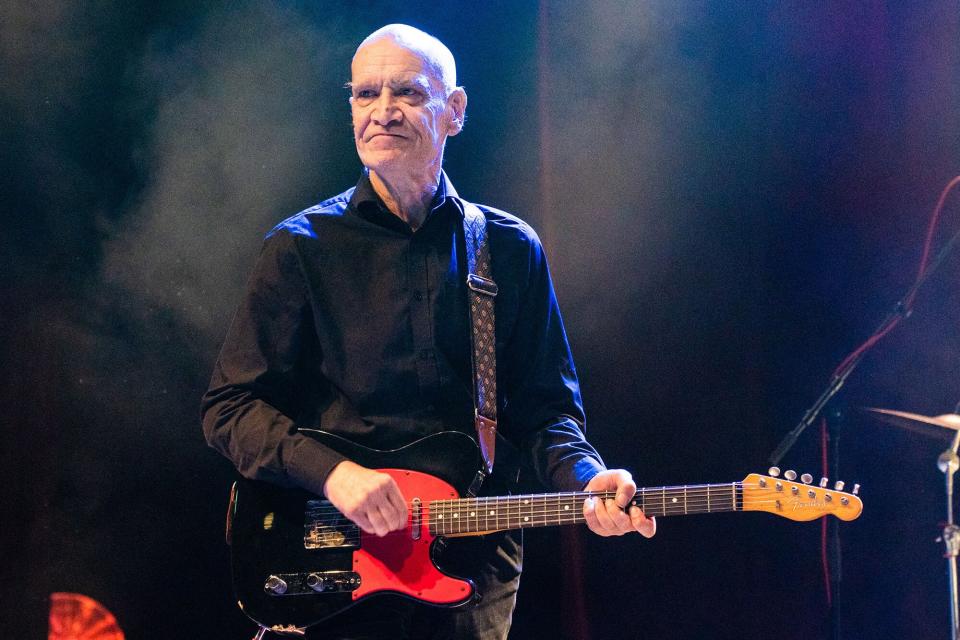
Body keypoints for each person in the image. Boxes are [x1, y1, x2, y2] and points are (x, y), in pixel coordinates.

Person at [201, 23, 655, 640]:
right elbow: (229, 408)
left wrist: (586, 479)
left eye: (408, 94)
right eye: (365, 95)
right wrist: (334, 472)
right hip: (334, 557)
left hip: (473, 563)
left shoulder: (508, 249)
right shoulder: (300, 247)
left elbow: (546, 409)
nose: (382, 112)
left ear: (455, 111)